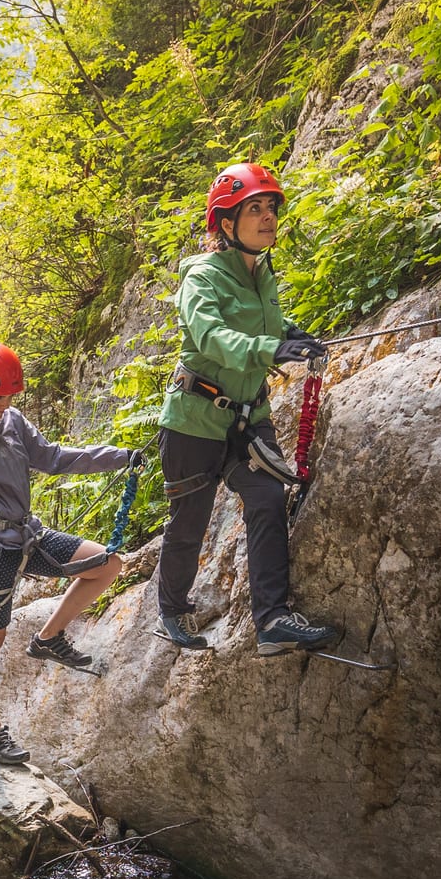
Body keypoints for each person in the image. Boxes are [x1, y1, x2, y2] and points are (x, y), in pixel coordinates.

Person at [153, 162, 342, 656]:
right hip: (195, 419)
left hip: (247, 418)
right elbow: (211, 336)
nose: (267, 217)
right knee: (189, 520)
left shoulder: (261, 272)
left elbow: (263, 320)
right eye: (254, 209)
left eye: (270, 208)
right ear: (226, 223)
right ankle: (171, 610)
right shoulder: (201, 276)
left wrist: (288, 335)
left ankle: (273, 621)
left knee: (265, 501)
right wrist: (268, 349)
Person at [0, 341, 139, 764]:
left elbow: (53, 458)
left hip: (26, 537)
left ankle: (48, 637)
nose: (6, 404)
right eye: (0, 397)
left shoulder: (12, 421)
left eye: (10, 397)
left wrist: (120, 458)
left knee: (107, 563)